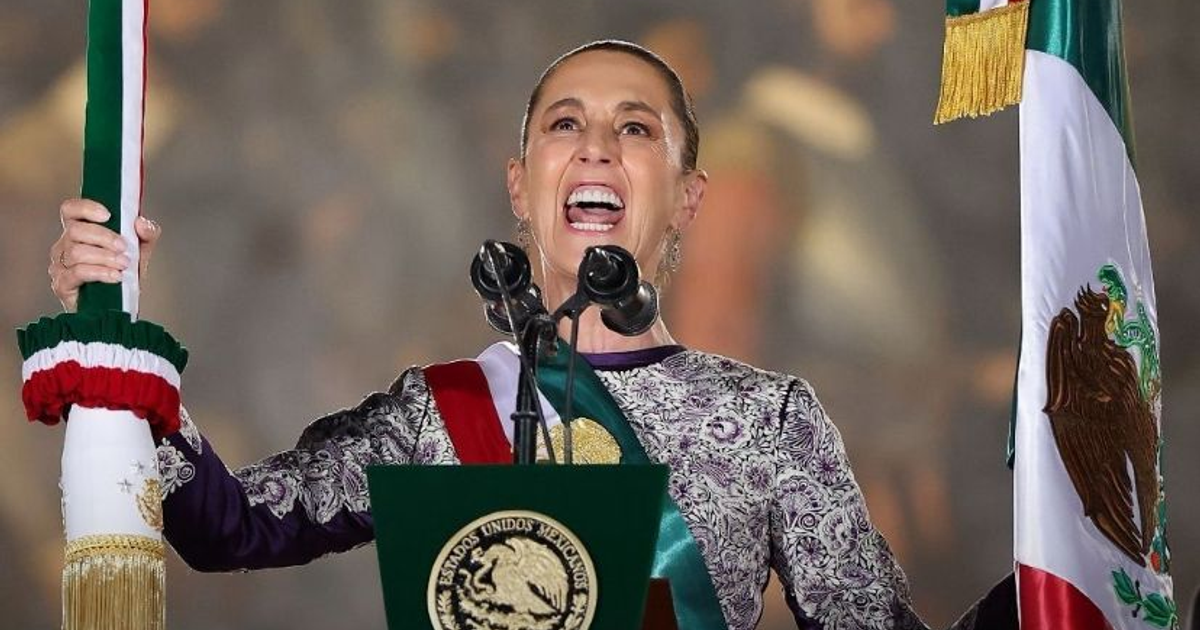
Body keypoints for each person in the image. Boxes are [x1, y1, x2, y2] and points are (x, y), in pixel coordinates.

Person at [47, 40, 997, 630]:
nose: (595, 145)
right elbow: (227, 530)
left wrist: (1054, 583)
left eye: (636, 129)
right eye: (565, 124)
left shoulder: (770, 419)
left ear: (687, 198)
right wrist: (116, 331)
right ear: (519, 186)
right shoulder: (437, 414)